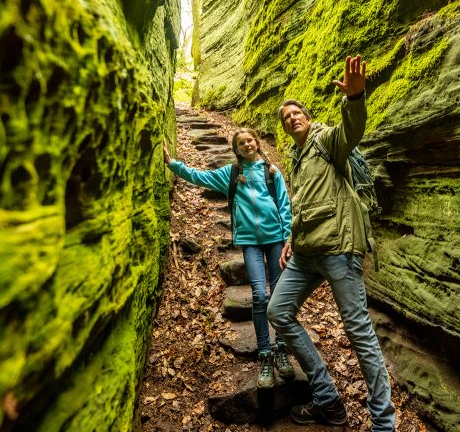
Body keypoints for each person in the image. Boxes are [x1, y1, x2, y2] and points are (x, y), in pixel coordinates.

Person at [267, 55, 395, 430]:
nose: (292, 117)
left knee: (358, 332)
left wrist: (355, 98)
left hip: (339, 250)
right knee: (278, 312)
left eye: (296, 112)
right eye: (285, 117)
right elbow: (304, 205)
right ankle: (327, 399)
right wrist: (291, 237)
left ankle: (384, 424)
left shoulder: (325, 139)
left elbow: (351, 130)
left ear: (306, 117)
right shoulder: (296, 158)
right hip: (306, 253)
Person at [163, 128, 295, 389]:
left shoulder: (272, 172)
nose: (247, 144)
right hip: (250, 242)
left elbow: (284, 204)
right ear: (236, 149)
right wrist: (172, 164)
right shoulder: (231, 174)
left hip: (276, 240)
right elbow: (199, 177)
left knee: (279, 294)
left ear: (256, 143)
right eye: (241, 143)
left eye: (250, 140)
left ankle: (282, 349)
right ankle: (265, 355)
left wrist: (288, 237)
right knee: (259, 294)